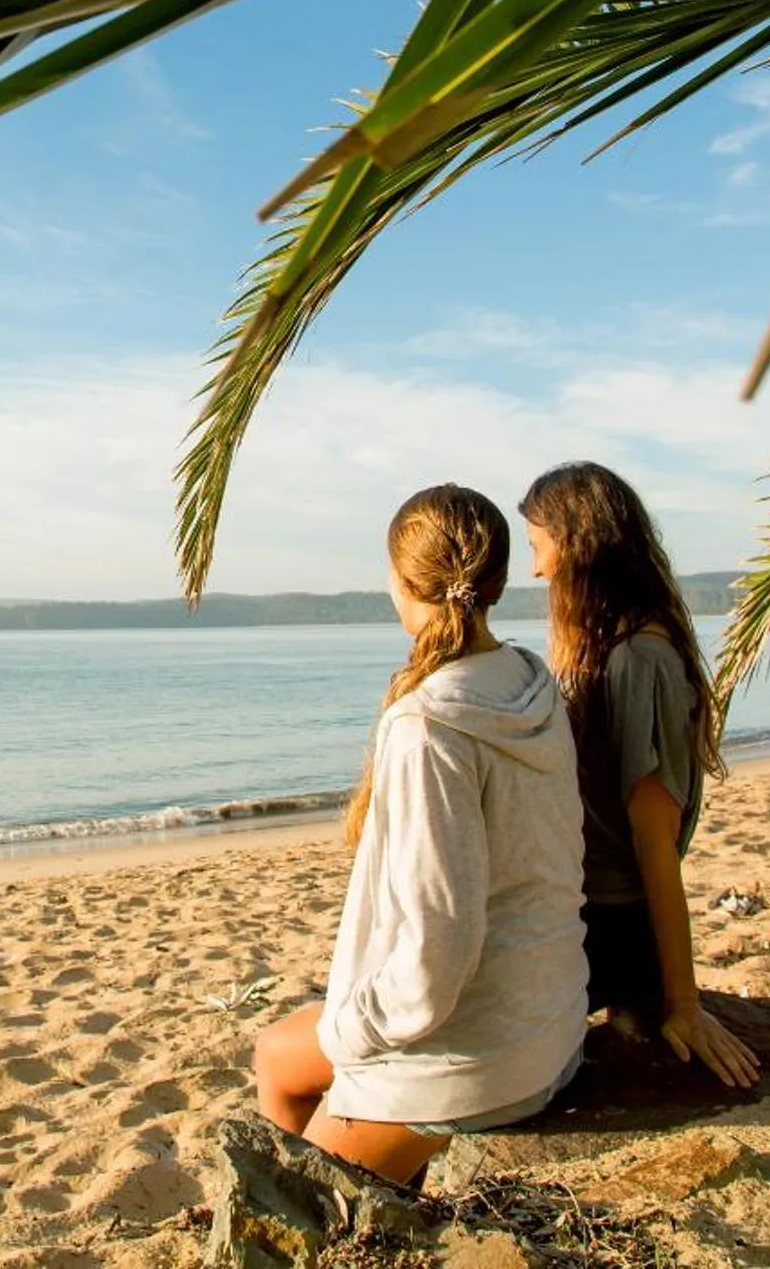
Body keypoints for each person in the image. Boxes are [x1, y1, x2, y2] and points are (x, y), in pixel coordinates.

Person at [251, 484, 592, 1186]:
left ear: (402, 583)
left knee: (301, 1201)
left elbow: (437, 952)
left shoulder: (427, 729)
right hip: (547, 1010)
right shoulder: (530, 682)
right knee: (276, 1057)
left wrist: (351, 1036)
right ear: (495, 581)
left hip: (474, 1054)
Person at [518, 462, 760, 1090]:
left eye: (538, 547)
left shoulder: (638, 658)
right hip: (587, 913)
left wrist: (683, 1005)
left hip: (610, 929)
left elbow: (657, 848)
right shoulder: (610, 648)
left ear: (574, 544)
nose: (535, 570)